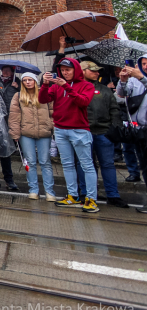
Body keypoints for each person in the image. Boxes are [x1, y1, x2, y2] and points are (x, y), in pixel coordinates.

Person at [40, 56, 98, 213]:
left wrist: (67, 87)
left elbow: (83, 102)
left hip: (79, 129)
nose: (65, 73)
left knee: (86, 165)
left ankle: (91, 199)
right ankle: (72, 195)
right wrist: (45, 84)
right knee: (67, 164)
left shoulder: (86, 85)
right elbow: (43, 99)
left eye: (68, 70)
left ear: (76, 70)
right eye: (63, 70)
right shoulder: (57, 85)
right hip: (60, 129)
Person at [75, 62, 127, 208]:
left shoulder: (105, 90)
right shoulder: (76, 89)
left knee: (108, 164)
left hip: (104, 133)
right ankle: (86, 193)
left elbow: (114, 110)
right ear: (83, 71)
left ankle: (113, 195)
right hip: (84, 132)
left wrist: (114, 129)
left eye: (97, 71)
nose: (97, 73)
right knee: (84, 164)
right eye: (93, 71)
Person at [8, 72, 55, 201]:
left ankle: (49, 191)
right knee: (30, 162)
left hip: (44, 132)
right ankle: (33, 189)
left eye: (30, 80)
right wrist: (15, 132)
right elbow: (14, 116)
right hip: (26, 133)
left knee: (45, 162)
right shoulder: (18, 96)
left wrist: (51, 126)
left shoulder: (44, 93)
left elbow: (53, 112)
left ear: (35, 81)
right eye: (25, 80)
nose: (28, 82)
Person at [0, 64, 20, 193]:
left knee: (7, 153)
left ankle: (9, 179)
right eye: (4, 70)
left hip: (11, 121)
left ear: (12, 72)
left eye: (8, 70)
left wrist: (17, 90)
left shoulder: (18, 83)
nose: (5, 72)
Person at [117, 58, 147, 191]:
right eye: (143, 63)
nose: (145, 67)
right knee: (144, 165)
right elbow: (122, 94)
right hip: (138, 129)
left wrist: (141, 77)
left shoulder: (139, 77)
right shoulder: (134, 79)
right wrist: (123, 81)